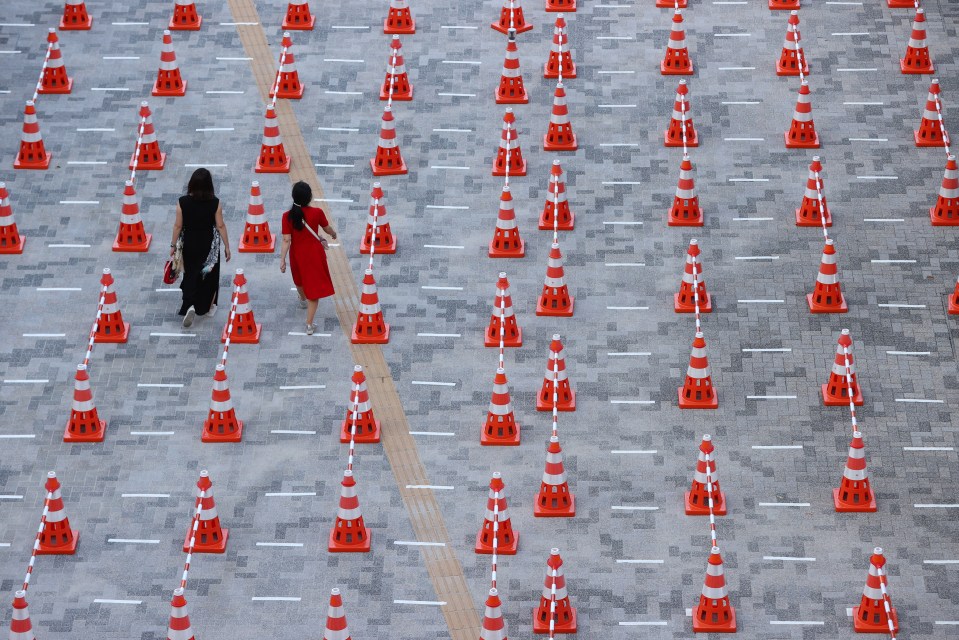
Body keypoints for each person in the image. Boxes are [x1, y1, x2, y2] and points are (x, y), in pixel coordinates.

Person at [170, 168, 231, 328]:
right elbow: (220, 225)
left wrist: (172, 245)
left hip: (190, 243)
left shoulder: (182, 202)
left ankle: (189, 304)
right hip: (209, 244)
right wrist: (227, 246)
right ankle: (207, 308)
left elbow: (177, 226)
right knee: (209, 275)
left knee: (190, 273)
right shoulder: (215, 203)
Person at [279, 181, 336, 335]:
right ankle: (309, 325)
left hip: (297, 254)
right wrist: (333, 234)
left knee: (299, 280)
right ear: (309, 197)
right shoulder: (317, 213)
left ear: (293, 197)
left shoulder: (286, 217)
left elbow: (286, 240)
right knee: (314, 292)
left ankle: (302, 299)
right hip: (314, 254)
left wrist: (282, 259)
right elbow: (327, 228)